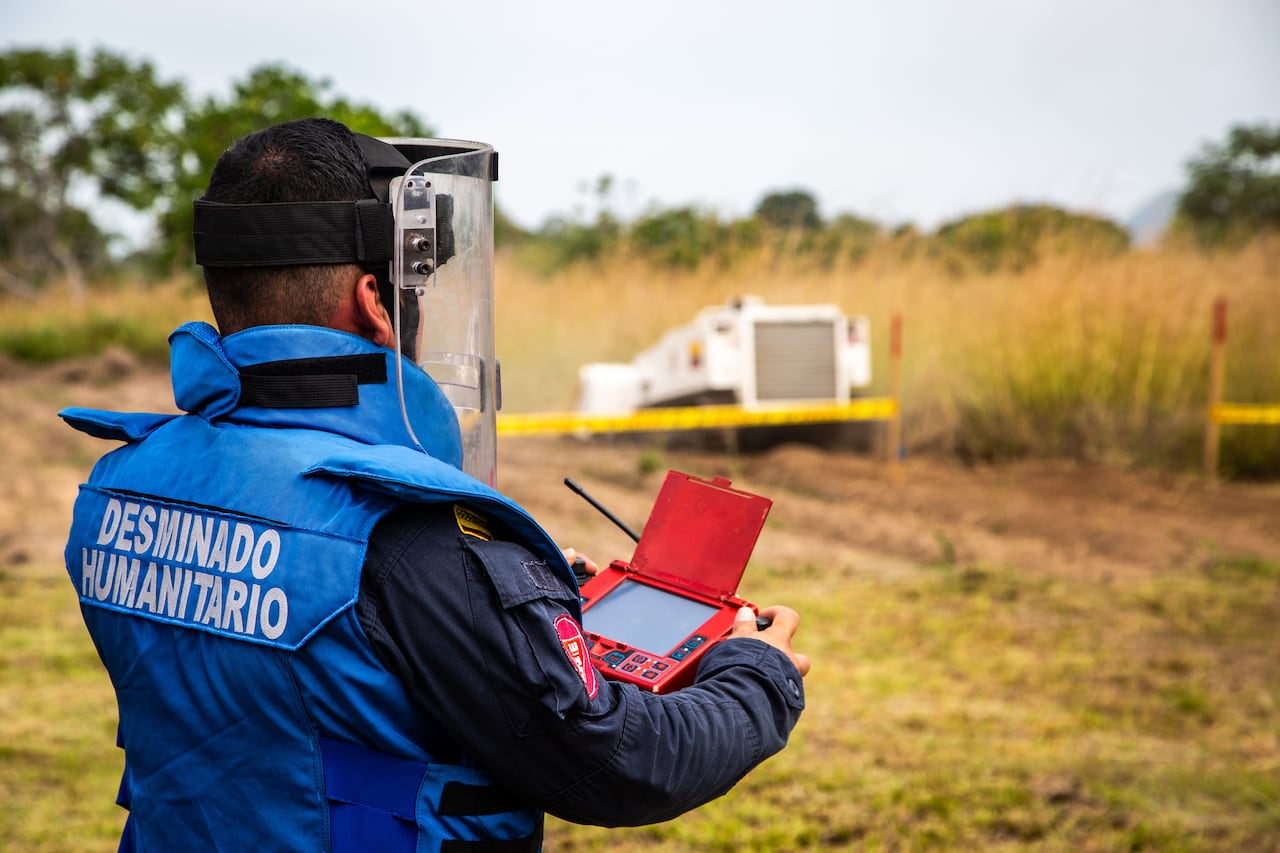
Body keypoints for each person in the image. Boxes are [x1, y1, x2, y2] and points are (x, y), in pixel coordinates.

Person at [62, 117, 809, 852]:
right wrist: (758, 674)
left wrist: (498, 608)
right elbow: (618, 761)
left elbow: (292, 696)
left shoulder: (122, 481)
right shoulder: (403, 535)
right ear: (372, 303)